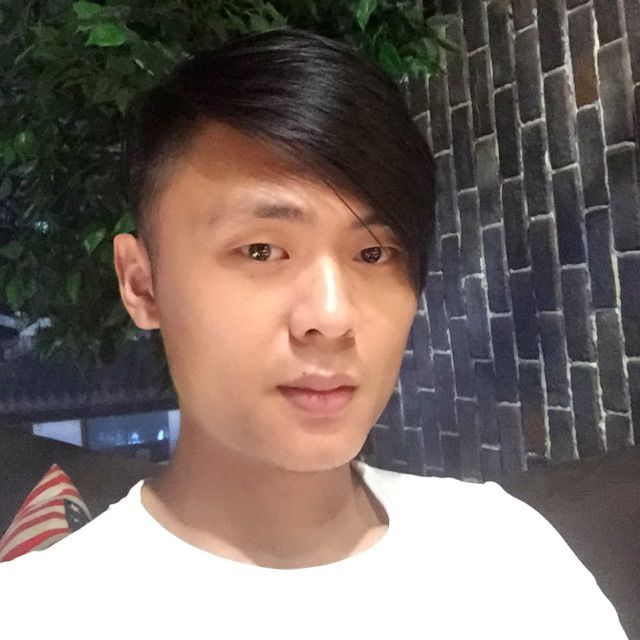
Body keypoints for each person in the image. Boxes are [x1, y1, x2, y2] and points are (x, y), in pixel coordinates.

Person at [0, 28, 627, 639]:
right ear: (141, 285)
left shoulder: (509, 555)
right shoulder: (39, 614)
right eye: (261, 250)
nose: (331, 316)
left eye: (374, 254)